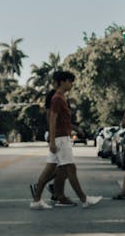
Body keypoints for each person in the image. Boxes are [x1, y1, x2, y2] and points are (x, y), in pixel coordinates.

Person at [30, 71, 102, 210]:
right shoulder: (57, 98)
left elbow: (62, 120)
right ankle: (84, 199)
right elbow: (52, 118)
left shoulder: (60, 97)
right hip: (60, 139)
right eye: (70, 81)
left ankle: (36, 200)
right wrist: (52, 141)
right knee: (71, 169)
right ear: (62, 82)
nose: (71, 84)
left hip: (60, 138)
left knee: (50, 171)